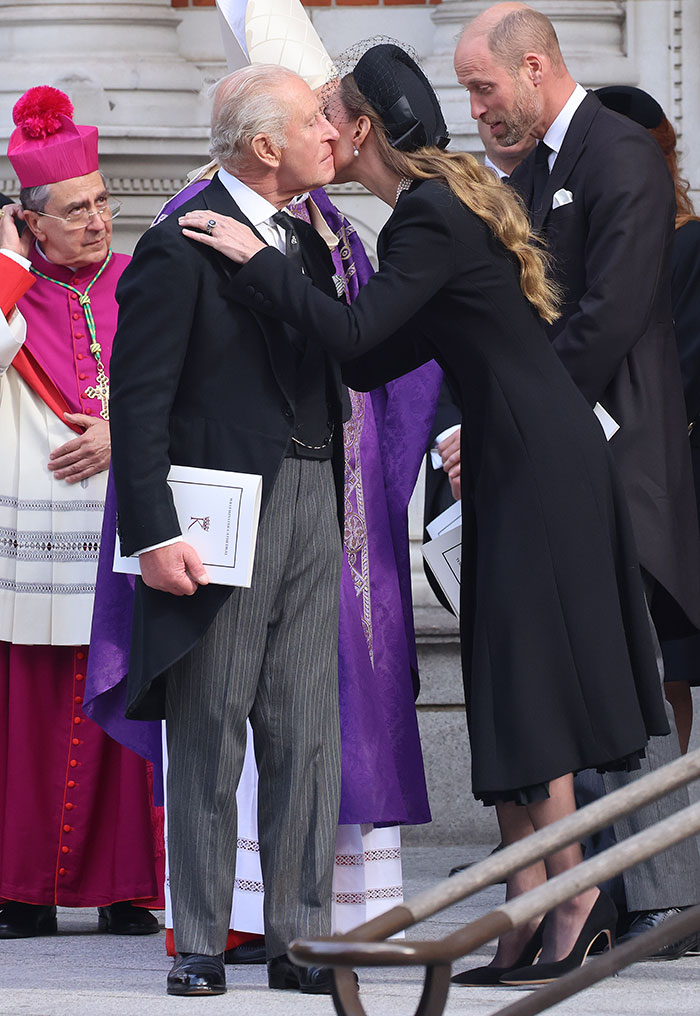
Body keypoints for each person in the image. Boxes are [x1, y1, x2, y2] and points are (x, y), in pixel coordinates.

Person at [178, 41, 670, 988]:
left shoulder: (429, 216)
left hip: (538, 461)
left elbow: (360, 338)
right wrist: (306, 276)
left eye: (330, 114)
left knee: (530, 684)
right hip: (516, 452)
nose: (318, 128)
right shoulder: (431, 210)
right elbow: (367, 362)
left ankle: (570, 898)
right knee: (505, 680)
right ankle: (530, 904)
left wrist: (256, 260)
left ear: (361, 131)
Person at [454, 1, 700, 960]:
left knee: (615, 688)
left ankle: (624, 903)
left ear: (535, 65)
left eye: (484, 87)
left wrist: (515, 419)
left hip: (615, 465)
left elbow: (610, 316)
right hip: (557, 459)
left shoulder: (616, 153)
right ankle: (580, 898)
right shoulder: (541, 167)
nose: (477, 109)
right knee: (570, 684)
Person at [109, 65, 353, 998]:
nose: (331, 134)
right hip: (218, 518)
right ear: (264, 146)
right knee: (209, 728)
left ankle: (299, 941)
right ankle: (203, 941)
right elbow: (138, 405)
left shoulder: (319, 238)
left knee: (305, 731)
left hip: (309, 499)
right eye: (312, 122)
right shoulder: (177, 244)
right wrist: (153, 532)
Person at [0, 88, 163, 939]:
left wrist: (120, 433)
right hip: (33, 541)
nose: (99, 222)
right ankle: (21, 888)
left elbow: (188, 382)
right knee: (29, 716)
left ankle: (124, 886)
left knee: (120, 704)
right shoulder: (11, 290)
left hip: (122, 525)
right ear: (31, 224)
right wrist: (7, 258)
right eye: (76, 210)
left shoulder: (141, 281)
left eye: (104, 202)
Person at [594, 84, 700, 759]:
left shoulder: (687, 246)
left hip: (671, 473)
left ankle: (665, 836)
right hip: (622, 462)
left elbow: (681, 367)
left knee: (668, 656)